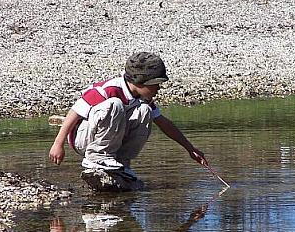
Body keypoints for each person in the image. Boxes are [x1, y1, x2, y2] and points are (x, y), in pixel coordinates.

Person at [49, 52, 208, 189]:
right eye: (155, 84)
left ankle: (121, 163)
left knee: (144, 111)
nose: (158, 89)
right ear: (140, 82)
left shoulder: (142, 99)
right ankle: (96, 158)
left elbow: (164, 124)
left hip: (111, 140)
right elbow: (75, 112)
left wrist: (190, 149)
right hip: (84, 139)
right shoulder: (109, 89)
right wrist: (58, 144)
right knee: (114, 105)